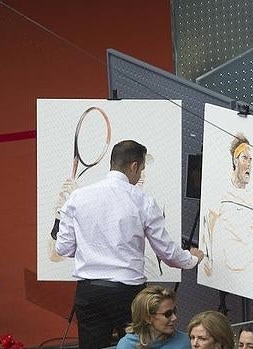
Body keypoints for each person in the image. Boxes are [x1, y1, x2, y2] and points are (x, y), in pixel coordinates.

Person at [55, 140, 204, 349]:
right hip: (128, 293)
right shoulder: (142, 200)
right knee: (138, 345)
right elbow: (168, 253)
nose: (140, 175)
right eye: (141, 169)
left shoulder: (78, 197)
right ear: (134, 166)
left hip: (89, 291)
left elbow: (63, 248)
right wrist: (193, 258)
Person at [203, 133, 253, 278]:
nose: (249, 164)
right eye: (244, 158)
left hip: (249, 273)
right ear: (235, 160)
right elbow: (208, 226)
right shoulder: (221, 191)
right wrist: (207, 259)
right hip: (224, 273)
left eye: (251, 159)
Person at [116, 286, 190, 349]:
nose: (174, 318)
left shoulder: (186, 342)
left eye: (174, 311)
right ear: (148, 318)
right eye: (168, 314)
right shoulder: (127, 345)